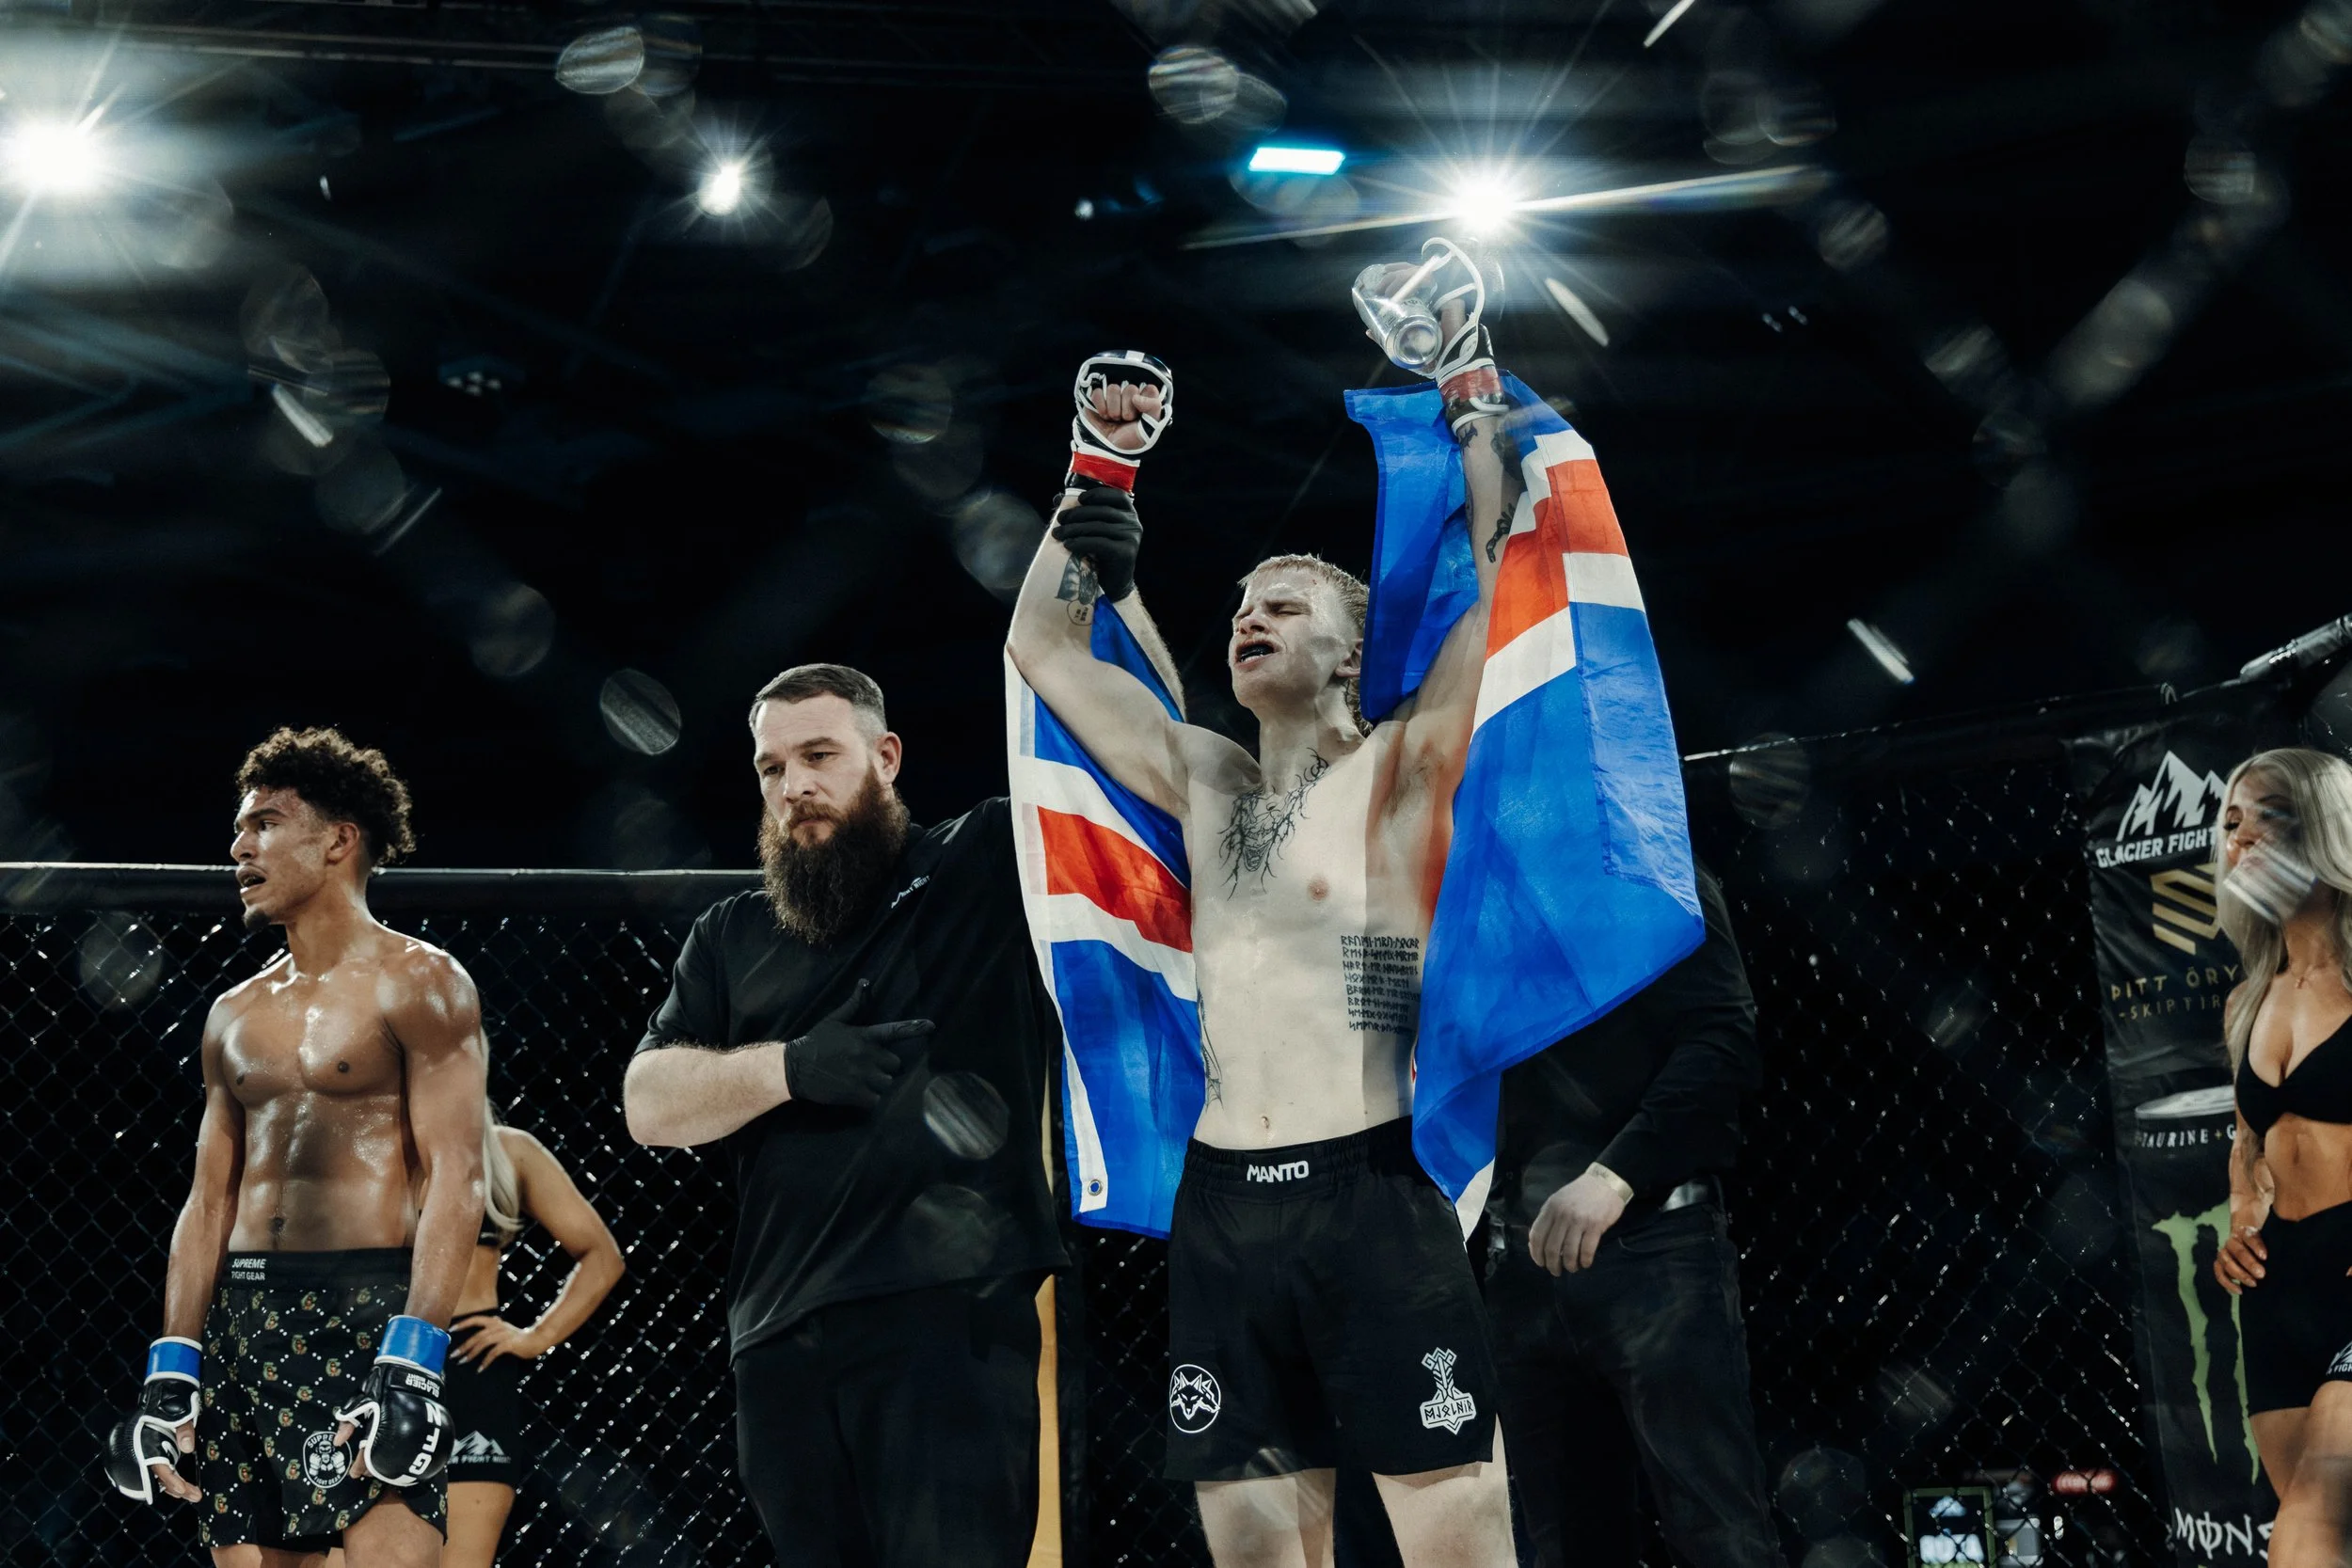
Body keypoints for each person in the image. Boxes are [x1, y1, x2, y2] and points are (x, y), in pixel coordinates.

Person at [1006, 269, 1523, 1568]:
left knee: (1458, 1540)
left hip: (1378, 1188)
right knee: (1251, 1556)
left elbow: (1511, 575)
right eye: (1240, 601)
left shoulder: (1399, 767)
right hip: (1224, 1199)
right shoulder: (1204, 778)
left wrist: (1468, 385)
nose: (1248, 614)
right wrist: (1099, 479)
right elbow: (1048, 651)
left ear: (1350, 650)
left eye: (1283, 603)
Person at [621, 663, 1070, 1568]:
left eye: (819, 755)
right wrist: (788, 1067)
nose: (795, 787)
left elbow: (1095, 747)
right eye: (771, 767)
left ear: (886, 755)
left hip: (947, 1319)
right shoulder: (730, 934)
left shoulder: (976, 862)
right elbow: (647, 1102)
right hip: (779, 1333)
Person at [104, 726, 487, 1568]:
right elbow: (208, 1201)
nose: (239, 845)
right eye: (241, 827)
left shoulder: (422, 981)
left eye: (267, 823)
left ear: (339, 839)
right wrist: (172, 1367)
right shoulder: (233, 1013)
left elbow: (459, 1175)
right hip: (245, 1319)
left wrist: (416, 1354)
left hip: (366, 1311)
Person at [1485, 861, 1783, 1568]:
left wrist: (1616, 1175)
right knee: (1568, 1542)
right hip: (1519, 1267)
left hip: (1653, 1249)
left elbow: (1723, 1040)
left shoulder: (1657, 870)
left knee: (1718, 1533)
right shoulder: (1478, 893)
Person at [325, 1102, 627, 1568]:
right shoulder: (359, 1145)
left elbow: (602, 1256)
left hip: (469, 1370)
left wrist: (534, 1336)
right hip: (372, 1371)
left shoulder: (508, 1151)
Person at [2211, 747, 2352, 1568]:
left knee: (2307, 1536)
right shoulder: (2248, 997)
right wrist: (2240, 1220)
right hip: (2277, 1294)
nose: (2244, 839)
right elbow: (2248, 1140)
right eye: (2232, 822)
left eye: (2272, 816)